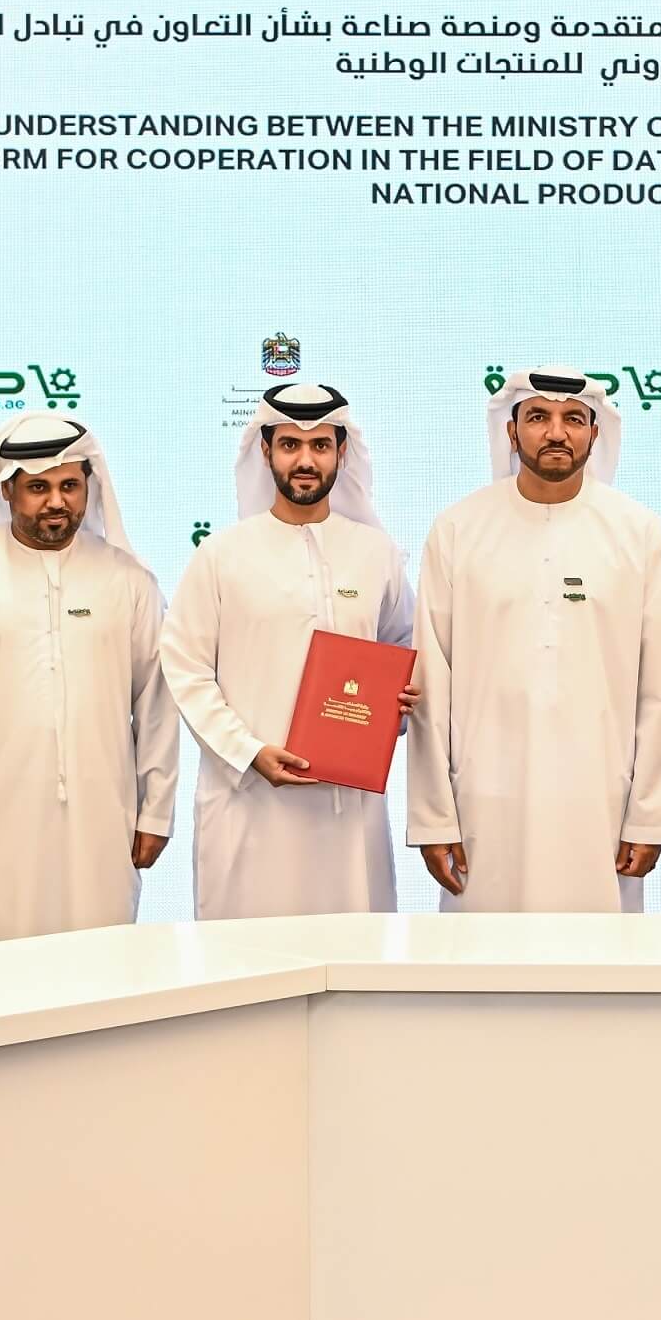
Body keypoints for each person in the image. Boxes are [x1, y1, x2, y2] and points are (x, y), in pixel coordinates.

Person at [406, 366, 661, 911]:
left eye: (573, 419)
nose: (556, 432)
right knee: (485, 958)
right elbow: (431, 684)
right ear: (512, 432)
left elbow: (660, 687)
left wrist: (651, 815)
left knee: (595, 958)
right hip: (485, 799)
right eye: (538, 417)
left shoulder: (638, 531)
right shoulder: (458, 528)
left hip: (601, 800)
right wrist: (434, 817)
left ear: (594, 433)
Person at [0, 414, 178, 947]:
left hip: (101, 821)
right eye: (38, 487)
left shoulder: (128, 581)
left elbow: (157, 705)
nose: (56, 501)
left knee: (100, 965)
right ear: (7, 490)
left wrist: (156, 812)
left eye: (69, 486)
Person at [159, 383, 417, 919]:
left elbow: (403, 646)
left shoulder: (376, 553)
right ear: (265, 450)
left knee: (350, 948)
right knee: (250, 954)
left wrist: (400, 702)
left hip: (348, 812)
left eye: (320, 445)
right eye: (290, 445)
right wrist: (248, 751)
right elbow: (186, 667)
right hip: (250, 804)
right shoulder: (222, 555)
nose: (305, 460)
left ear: (341, 452)